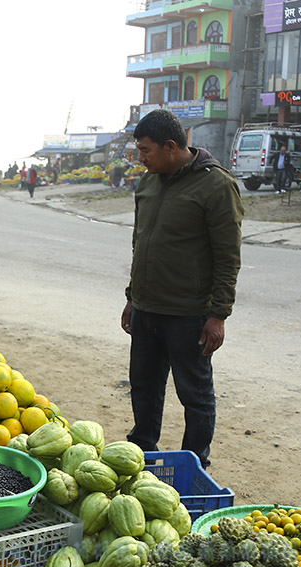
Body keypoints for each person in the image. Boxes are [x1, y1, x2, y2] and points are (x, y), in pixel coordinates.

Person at [121, 109, 242, 467]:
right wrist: (132, 298)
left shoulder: (216, 186)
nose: (140, 159)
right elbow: (139, 243)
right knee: (143, 387)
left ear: (171, 146)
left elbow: (227, 256)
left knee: (196, 395)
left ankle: (193, 464)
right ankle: (142, 454)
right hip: (146, 310)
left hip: (188, 315)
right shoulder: (149, 183)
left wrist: (218, 315)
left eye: (145, 150)